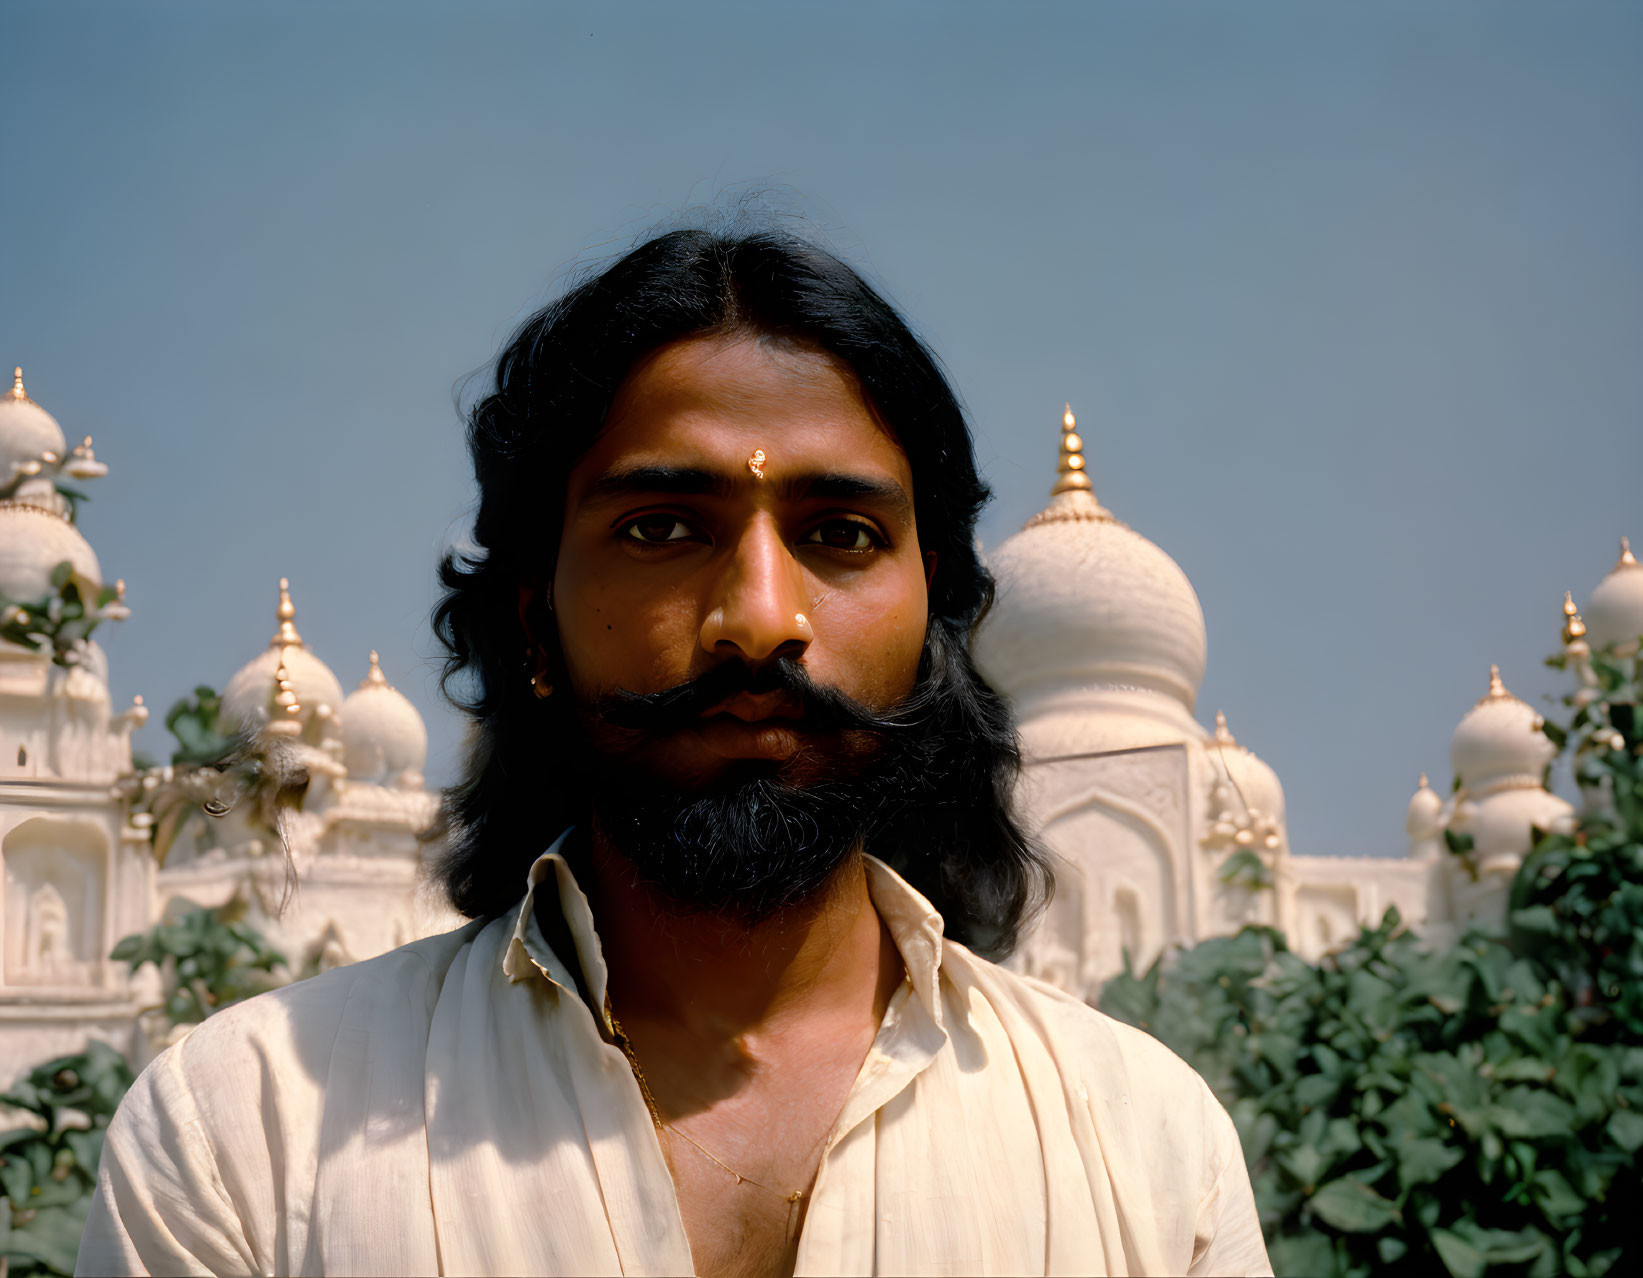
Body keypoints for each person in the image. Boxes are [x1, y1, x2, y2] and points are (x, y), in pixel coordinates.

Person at [78, 225, 1272, 1277]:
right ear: (531, 619)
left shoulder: (1141, 1150)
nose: (758, 617)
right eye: (659, 528)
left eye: (841, 534)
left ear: (936, 624)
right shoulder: (249, 1139)